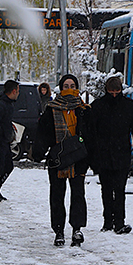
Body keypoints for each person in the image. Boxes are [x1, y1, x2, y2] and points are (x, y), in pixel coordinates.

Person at [34, 74, 91, 247]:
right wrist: (39, 153)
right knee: (57, 195)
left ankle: (77, 229)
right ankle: (58, 230)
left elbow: (91, 135)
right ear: (60, 88)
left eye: (72, 85)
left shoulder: (83, 109)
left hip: (78, 158)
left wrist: (91, 156)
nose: (69, 88)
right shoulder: (52, 109)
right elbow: (43, 134)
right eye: (65, 85)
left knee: (78, 194)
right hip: (57, 159)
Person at [89, 75, 133, 234]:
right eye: (111, 92)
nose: (114, 95)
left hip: (115, 153)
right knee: (108, 189)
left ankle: (116, 222)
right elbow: (91, 132)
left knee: (118, 189)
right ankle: (110, 222)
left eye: (116, 92)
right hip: (110, 153)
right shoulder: (122, 106)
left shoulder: (101, 106)